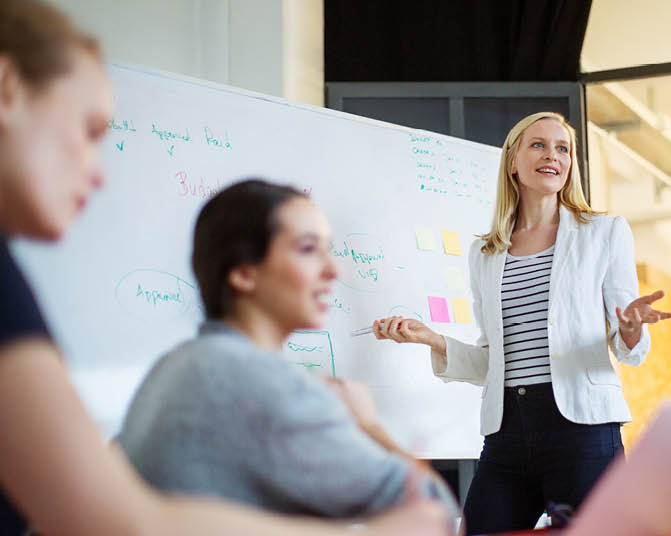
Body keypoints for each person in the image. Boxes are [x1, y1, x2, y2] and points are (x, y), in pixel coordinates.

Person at [0, 1, 450, 534]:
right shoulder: (254, 380)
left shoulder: (178, 367)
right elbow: (439, 513)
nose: (98, 175)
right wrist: (370, 430)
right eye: (90, 130)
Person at [373, 111, 671, 534]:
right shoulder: (486, 253)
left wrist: (629, 327)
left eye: (562, 148)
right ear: (512, 160)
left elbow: (630, 348)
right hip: (508, 430)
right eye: (538, 144)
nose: (552, 155)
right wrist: (434, 340)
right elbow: (492, 363)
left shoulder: (603, 233)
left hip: (583, 430)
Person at [118, 180, 458, 522]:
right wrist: (368, 425)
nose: (333, 269)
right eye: (308, 249)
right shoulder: (267, 383)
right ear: (243, 273)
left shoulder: (171, 369)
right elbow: (434, 510)